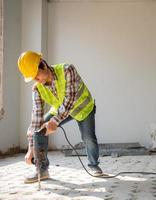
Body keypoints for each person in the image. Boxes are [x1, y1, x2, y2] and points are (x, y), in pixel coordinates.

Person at [18, 51, 103, 184]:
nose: (36, 80)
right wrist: (30, 149)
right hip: (61, 110)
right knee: (40, 128)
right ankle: (42, 170)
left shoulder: (67, 70)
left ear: (44, 65)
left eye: (36, 75)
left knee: (88, 138)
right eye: (33, 78)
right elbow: (36, 119)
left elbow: (70, 100)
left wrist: (55, 121)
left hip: (83, 107)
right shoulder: (37, 89)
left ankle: (94, 165)